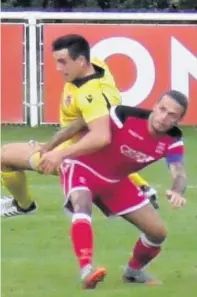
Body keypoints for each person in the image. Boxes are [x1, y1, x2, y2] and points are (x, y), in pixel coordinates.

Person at [40, 90, 187, 289]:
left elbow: (178, 172)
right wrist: (50, 148)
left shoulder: (173, 139)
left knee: (157, 232)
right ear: (155, 105)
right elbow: (83, 123)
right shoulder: (124, 115)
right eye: (162, 109)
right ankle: (87, 270)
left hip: (116, 181)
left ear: (179, 120)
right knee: (81, 204)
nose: (163, 117)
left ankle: (133, 273)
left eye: (172, 115)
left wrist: (177, 191)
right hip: (82, 165)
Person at [0, 34, 157, 217]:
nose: (58, 68)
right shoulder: (98, 65)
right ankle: (141, 187)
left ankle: (23, 205)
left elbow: (100, 136)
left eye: (63, 62)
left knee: (4, 157)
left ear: (81, 61)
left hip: (76, 156)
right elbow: (93, 119)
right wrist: (51, 144)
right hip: (92, 149)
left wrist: (54, 151)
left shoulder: (89, 95)